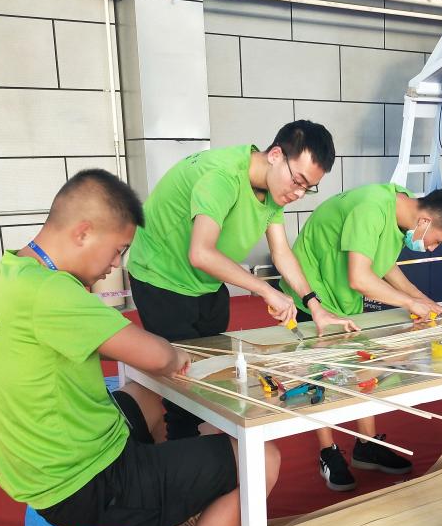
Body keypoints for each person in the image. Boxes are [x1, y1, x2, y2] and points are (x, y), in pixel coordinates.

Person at [0, 169, 280, 526]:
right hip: (83, 482)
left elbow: (93, 349)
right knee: (262, 459)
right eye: (117, 250)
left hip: (39, 464)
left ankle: (147, 524)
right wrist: (177, 356)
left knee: (147, 397)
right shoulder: (53, 294)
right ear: (83, 232)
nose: (114, 265)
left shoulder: (9, 273)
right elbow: (158, 356)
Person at [126, 121, 357, 441]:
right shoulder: (222, 176)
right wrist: (263, 289)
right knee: (184, 387)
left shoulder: (274, 190)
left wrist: (314, 305)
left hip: (207, 283)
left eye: (308, 188)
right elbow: (201, 253)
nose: (298, 194)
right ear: (275, 155)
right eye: (298, 181)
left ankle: (192, 442)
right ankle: (177, 451)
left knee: (211, 375)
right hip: (161, 278)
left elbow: (281, 253)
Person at [281, 184, 442, 490]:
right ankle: (328, 451)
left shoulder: (400, 205)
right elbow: (360, 277)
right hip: (314, 292)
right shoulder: (372, 208)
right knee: (321, 374)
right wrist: (409, 303)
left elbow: (385, 266)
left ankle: (366, 445)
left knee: (365, 364)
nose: (432, 248)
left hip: (343, 294)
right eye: (437, 241)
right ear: (425, 222)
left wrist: (426, 302)